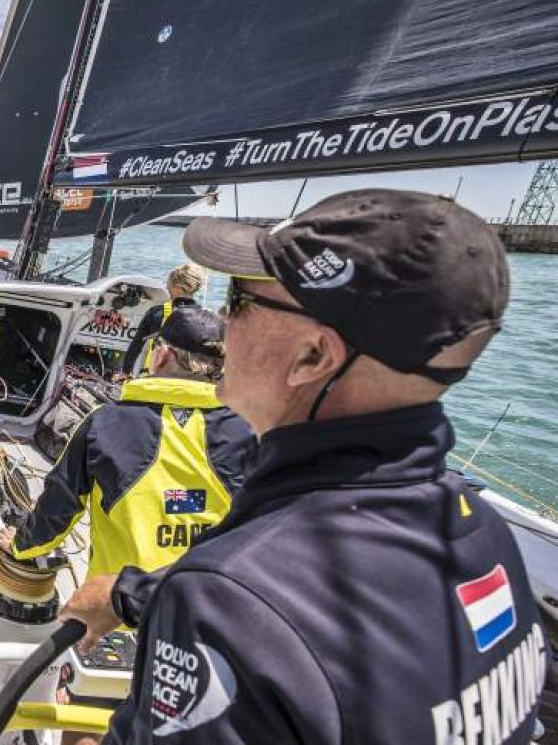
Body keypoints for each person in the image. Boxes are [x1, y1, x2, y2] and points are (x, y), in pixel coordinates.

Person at [59, 189, 543, 744]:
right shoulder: (482, 535)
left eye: (239, 301)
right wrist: (135, 593)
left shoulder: (224, 599)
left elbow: (258, 600)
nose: (221, 323)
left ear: (313, 357)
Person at [0, 306, 254, 580]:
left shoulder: (104, 422)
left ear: (161, 355)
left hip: (118, 607)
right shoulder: (251, 430)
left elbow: (59, 507)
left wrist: (20, 544)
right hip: (206, 606)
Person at [117, 264, 205, 380]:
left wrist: (125, 372)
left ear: (176, 287)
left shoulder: (156, 314)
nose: (166, 287)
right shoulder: (206, 318)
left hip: (154, 381)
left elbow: (136, 346)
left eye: (168, 284)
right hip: (187, 384)